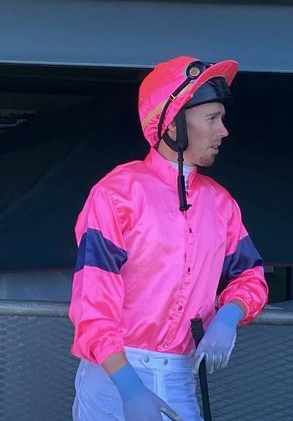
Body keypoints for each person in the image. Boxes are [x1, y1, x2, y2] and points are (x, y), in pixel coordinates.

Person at [69, 55, 269, 421]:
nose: (223, 131)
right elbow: (93, 307)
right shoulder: (116, 193)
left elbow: (251, 276)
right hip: (114, 380)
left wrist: (230, 313)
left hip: (180, 375)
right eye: (211, 119)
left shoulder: (222, 204)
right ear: (174, 125)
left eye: (221, 119)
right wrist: (129, 388)